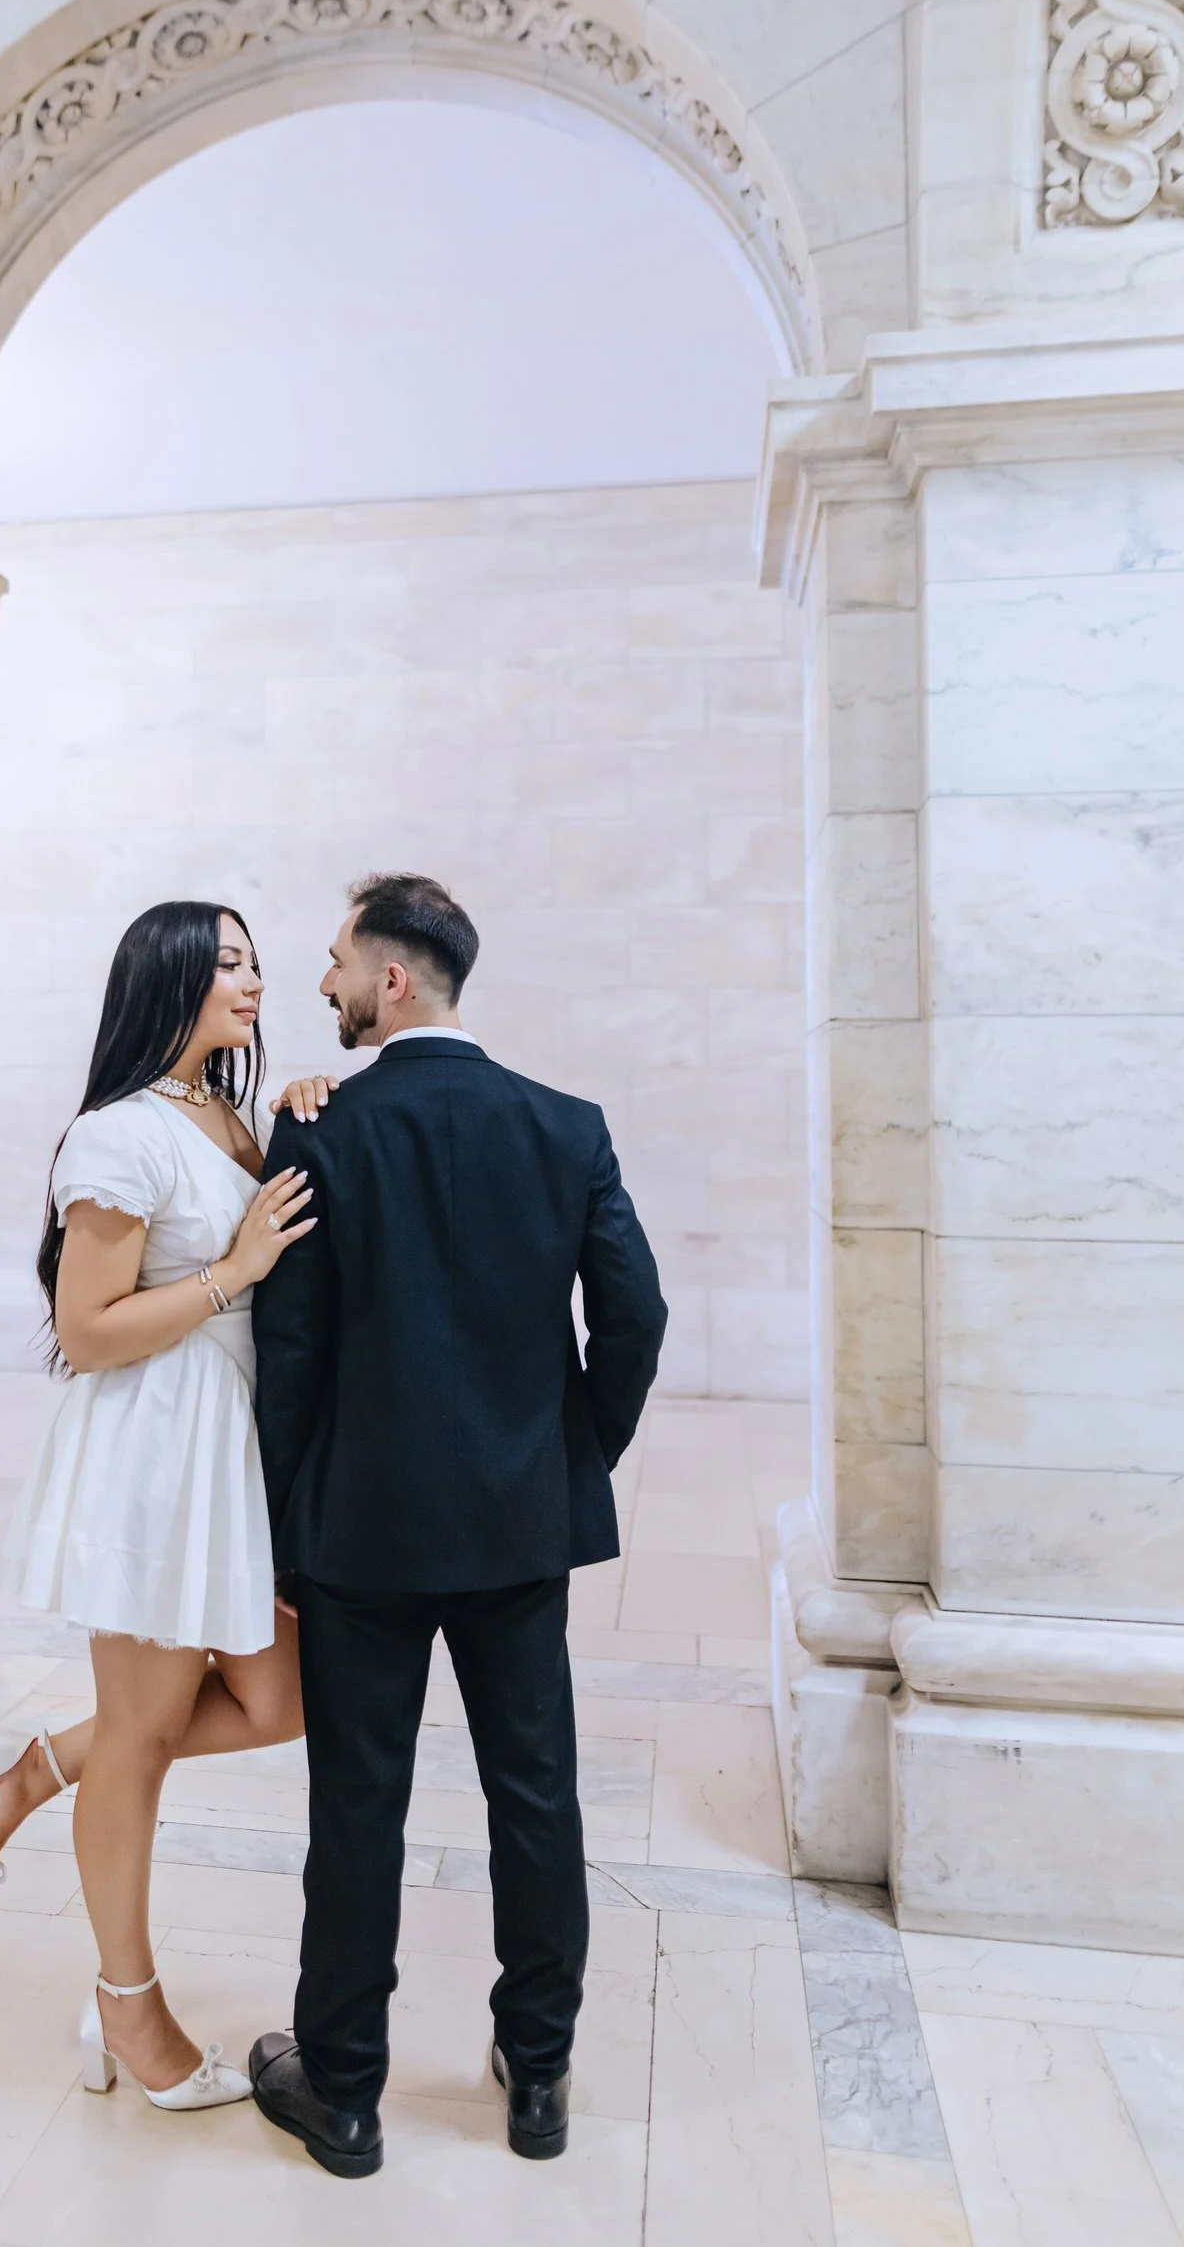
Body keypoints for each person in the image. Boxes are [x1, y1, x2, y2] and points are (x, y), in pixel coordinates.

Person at [245, 874, 668, 2178]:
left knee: (357, 1806)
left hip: (359, 1534)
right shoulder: (566, 1127)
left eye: (330, 965)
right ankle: (537, 2074)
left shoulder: (322, 1137)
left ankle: (347, 2095)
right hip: (513, 1528)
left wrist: (282, 1530)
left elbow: (293, 1355)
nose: (317, 986)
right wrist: (566, 1456)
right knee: (534, 1795)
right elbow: (635, 1319)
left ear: (391, 982)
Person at [0, 901, 317, 2113]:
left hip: (228, 1453)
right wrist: (231, 1272)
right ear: (170, 983)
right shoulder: (116, 1134)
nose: (253, 979)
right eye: (228, 964)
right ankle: (126, 2012)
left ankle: (32, 1772)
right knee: (143, 1745)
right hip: (156, 1452)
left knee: (279, 1697)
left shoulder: (224, 1115)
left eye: (256, 959)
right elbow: (90, 1331)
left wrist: (301, 1118)